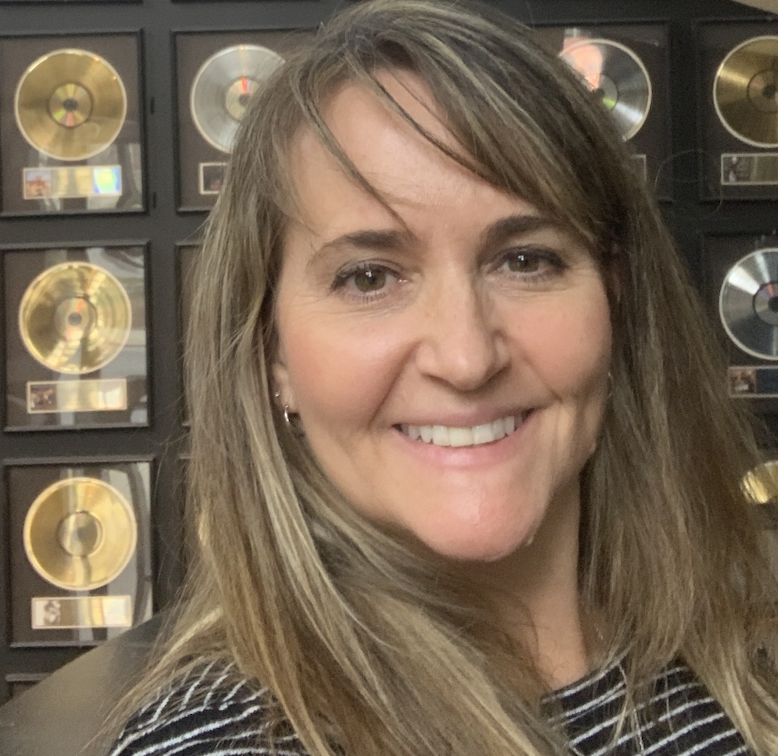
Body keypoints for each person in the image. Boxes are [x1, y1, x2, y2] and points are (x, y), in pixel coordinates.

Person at [109, 1, 778, 754]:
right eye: (369, 277)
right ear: (273, 356)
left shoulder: (747, 666)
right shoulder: (227, 741)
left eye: (525, 260)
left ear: (615, 299)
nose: (465, 358)